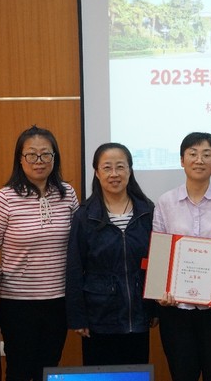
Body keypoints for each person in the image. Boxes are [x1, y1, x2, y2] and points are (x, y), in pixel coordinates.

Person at [0, 125, 79, 381]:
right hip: (18, 304)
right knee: (20, 371)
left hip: (58, 301)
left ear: (55, 158)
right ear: (20, 159)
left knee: (49, 369)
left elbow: (78, 247)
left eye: (46, 154)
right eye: (31, 154)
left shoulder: (67, 194)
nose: (39, 160)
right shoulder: (2, 200)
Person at [152, 132, 211, 381]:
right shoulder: (165, 202)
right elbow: (159, 254)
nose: (199, 160)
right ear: (182, 160)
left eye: (207, 154)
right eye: (192, 154)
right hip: (176, 310)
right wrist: (162, 291)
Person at [66, 143, 156, 365]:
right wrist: (78, 317)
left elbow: (157, 262)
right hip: (99, 316)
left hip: (138, 314)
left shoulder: (147, 211)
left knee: (135, 376)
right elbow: (75, 268)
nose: (114, 174)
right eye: (107, 167)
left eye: (120, 167)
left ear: (130, 170)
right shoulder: (85, 216)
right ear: (97, 173)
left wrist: (154, 308)